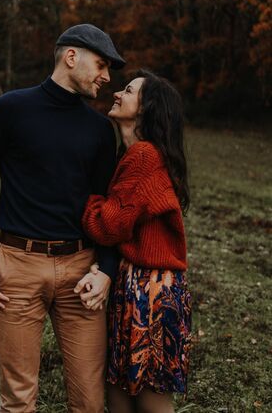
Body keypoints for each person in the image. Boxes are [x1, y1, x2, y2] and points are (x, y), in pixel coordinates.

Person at [0, 23, 126, 413]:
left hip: (81, 272)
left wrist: (106, 269)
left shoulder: (101, 129)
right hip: (17, 268)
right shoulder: (10, 109)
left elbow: (108, 208)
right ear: (71, 57)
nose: (106, 77)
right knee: (17, 401)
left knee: (88, 401)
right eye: (101, 65)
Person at [82, 70, 192, 413]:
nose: (117, 92)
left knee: (149, 399)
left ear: (145, 109)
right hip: (133, 288)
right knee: (120, 395)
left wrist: (85, 198)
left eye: (127, 91)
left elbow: (107, 226)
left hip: (152, 294)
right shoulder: (130, 155)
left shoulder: (145, 157)